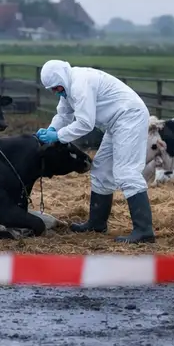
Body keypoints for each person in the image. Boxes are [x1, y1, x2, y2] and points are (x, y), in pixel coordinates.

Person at [34, 60, 155, 243]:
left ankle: (144, 230)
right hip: (115, 123)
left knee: (126, 172)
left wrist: (58, 136)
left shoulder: (80, 84)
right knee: (101, 170)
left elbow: (85, 123)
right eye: (52, 90)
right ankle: (97, 223)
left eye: (57, 88)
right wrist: (52, 129)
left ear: (61, 79)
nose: (56, 92)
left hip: (129, 118)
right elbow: (63, 115)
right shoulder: (67, 86)